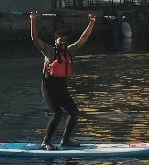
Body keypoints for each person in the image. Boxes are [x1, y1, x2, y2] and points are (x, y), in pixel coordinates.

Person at [30, 11, 98, 149]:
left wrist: (92, 22)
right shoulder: (49, 51)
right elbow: (34, 37)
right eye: (61, 41)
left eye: (66, 41)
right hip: (48, 87)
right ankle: (46, 142)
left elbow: (83, 38)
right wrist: (33, 20)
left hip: (61, 87)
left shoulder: (70, 51)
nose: (64, 43)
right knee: (58, 113)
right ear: (56, 41)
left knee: (74, 113)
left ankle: (65, 140)